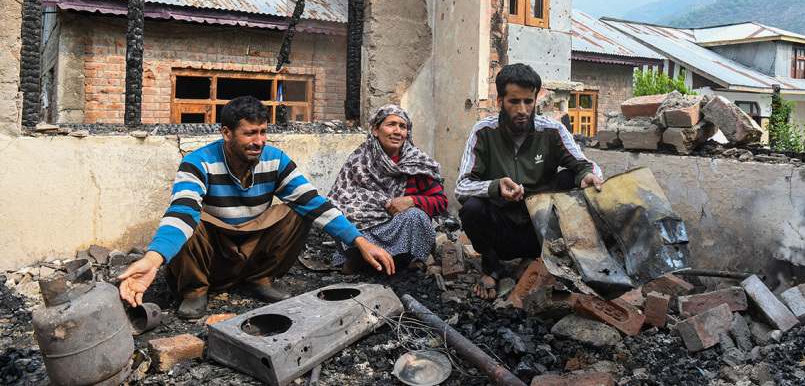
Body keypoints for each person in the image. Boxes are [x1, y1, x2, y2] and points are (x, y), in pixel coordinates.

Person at [118, 96, 394, 319]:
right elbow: (182, 210)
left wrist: (359, 241)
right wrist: (152, 260)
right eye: (250, 133)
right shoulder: (197, 162)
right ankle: (194, 290)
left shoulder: (275, 160)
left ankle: (260, 278)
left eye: (263, 132)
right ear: (226, 133)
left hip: (253, 241)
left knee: (299, 211)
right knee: (192, 220)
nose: (259, 141)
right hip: (213, 245)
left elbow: (314, 202)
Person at [455, 63, 603, 300]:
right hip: (500, 230)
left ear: (536, 100)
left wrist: (587, 175)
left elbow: (585, 164)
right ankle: (492, 268)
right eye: (514, 101)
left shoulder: (552, 130)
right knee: (472, 207)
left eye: (529, 101)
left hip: (538, 228)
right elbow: (461, 187)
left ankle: (537, 258)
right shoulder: (483, 131)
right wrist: (496, 188)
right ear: (500, 100)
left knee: (569, 178)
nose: (522, 109)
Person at [327, 104, 446, 273]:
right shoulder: (358, 161)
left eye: (402, 126)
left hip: (398, 233)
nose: (397, 131)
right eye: (391, 124)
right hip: (363, 236)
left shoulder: (416, 163)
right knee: (340, 219)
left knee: (416, 216)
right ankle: (368, 260)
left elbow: (441, 202)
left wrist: (412, 201)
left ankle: (384, 264)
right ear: (375, 130)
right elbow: (337, 202)